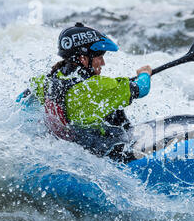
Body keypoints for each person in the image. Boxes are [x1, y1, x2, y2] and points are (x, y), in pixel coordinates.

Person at [17, 22, 152, 161]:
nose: (103, 63)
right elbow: (142, 89)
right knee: (113, 111)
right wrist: (144, 73)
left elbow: (20, 102)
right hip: (101, 152)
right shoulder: (97, 87)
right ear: (83, 58)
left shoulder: (46, 81)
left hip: (66, 149)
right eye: (99, 57)